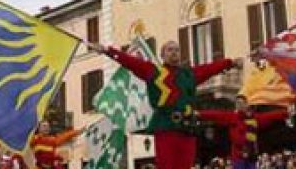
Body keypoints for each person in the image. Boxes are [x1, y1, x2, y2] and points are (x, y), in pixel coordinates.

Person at [87, 40, 243, 169]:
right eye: (170, 49)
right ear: (162, 55)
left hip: (187, 128)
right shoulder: (153, 72)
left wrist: (229, 63)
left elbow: (210, 69)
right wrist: (107, 50)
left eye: (176, 49)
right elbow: (130, 61)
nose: (174, 52)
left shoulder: (188, 74)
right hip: (166, 127)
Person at [196, 95, 290, 169]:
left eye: (241, 103)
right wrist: (199, 114)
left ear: (246, 104)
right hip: (238, 155)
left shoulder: (254, 118)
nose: (239, 105)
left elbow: (269, 116)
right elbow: (215, 115)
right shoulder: (232, 116)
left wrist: (285, 113)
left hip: (251, 154)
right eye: (237, 103)